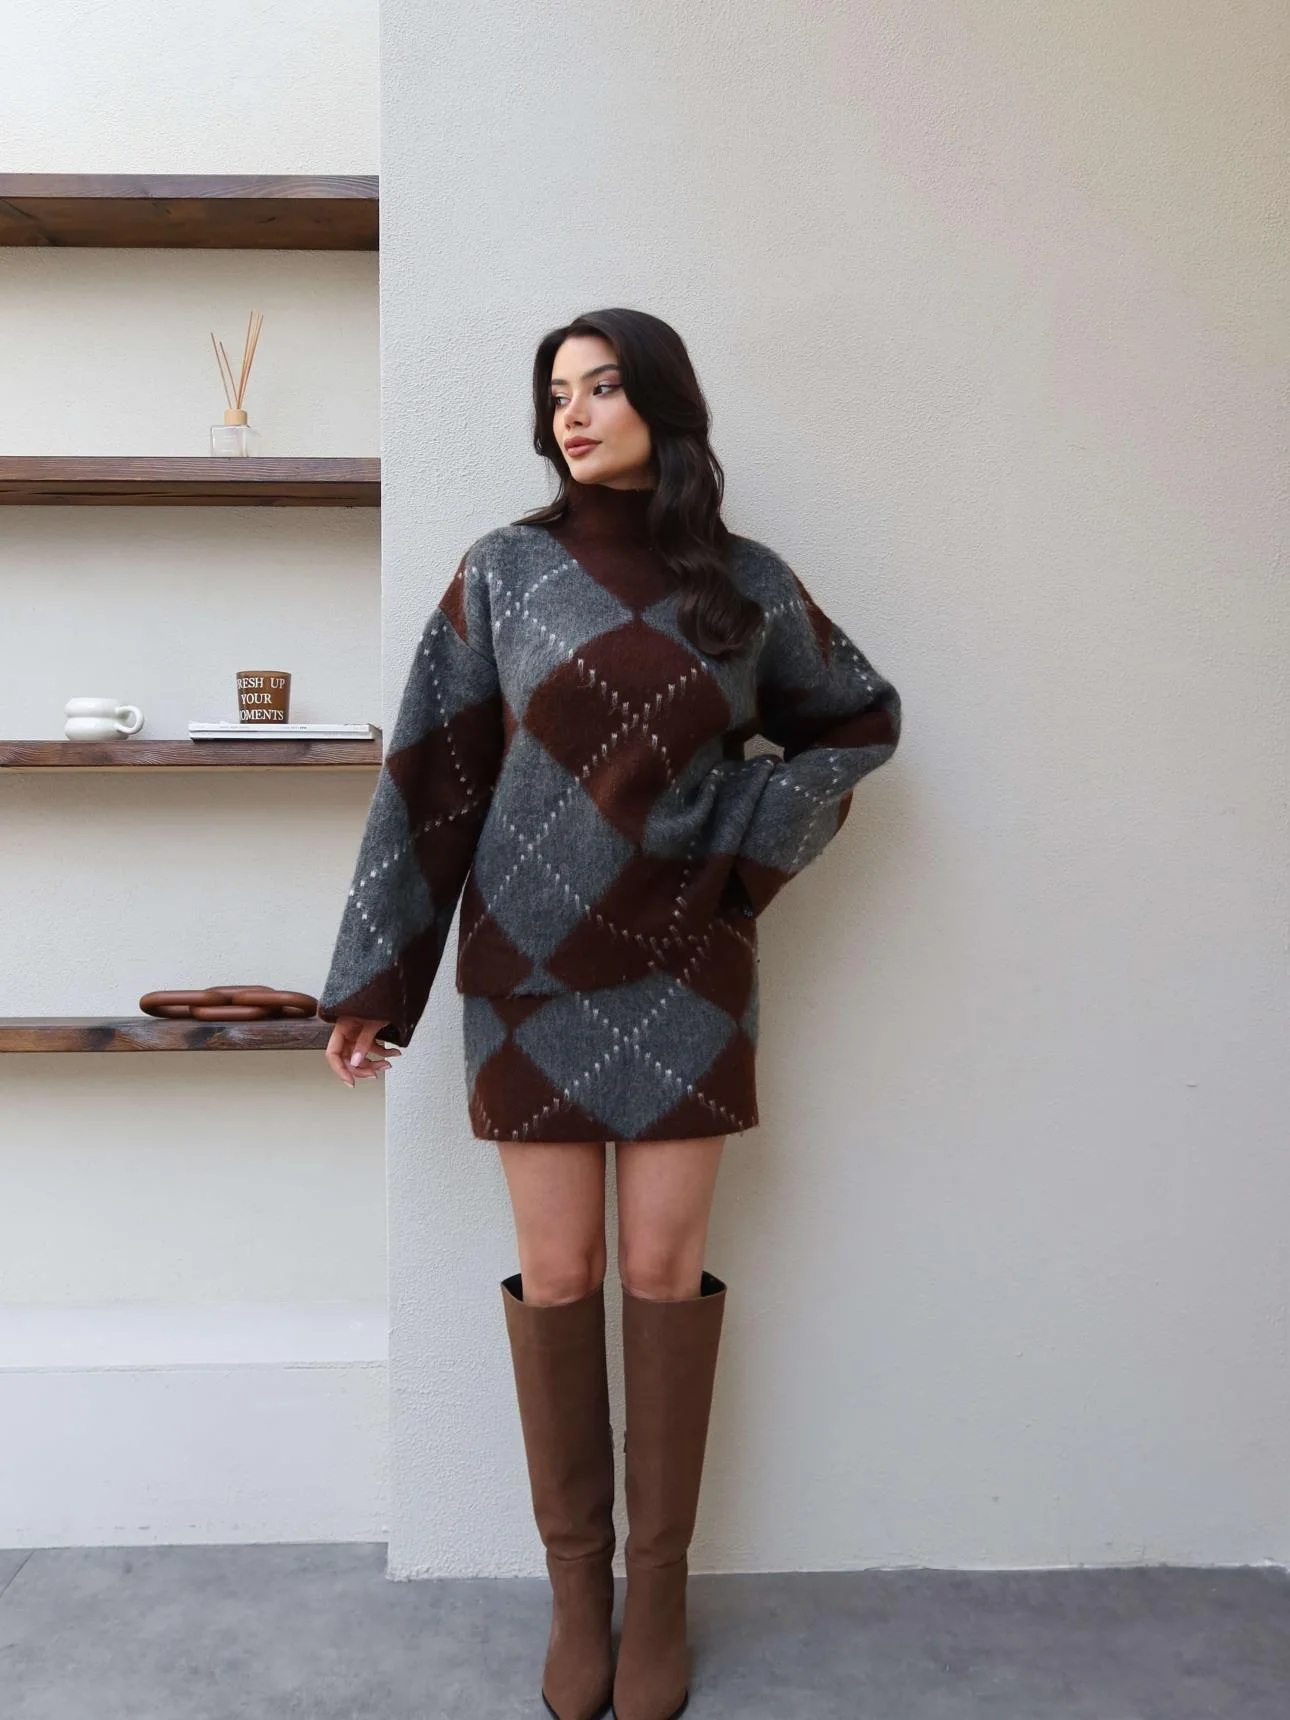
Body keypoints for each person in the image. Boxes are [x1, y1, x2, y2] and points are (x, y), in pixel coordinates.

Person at [317, 307, 902, 1720]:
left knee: (660, 1266)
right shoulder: (503, 572)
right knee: (561, 1270)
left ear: (663, 405)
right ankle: (578, 1596)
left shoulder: (746, 585)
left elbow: (856, 719)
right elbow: (437, 775)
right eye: (557, 394)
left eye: (601, 388)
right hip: (526, 967)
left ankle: (662, 1596)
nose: (571, 414)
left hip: (688, 960)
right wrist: (380, 977)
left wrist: (737, 836)